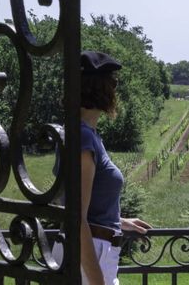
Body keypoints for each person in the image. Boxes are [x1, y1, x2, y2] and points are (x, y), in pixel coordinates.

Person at [53, 51, 152, 285]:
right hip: (90, 254)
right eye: (113, 83)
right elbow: (77, 217)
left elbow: (66, 200)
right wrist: (97, 280)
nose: (115, 90)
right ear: (101, 89)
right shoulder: (83, 138)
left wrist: (118, 221)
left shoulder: (83, 134)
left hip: (91, 250)